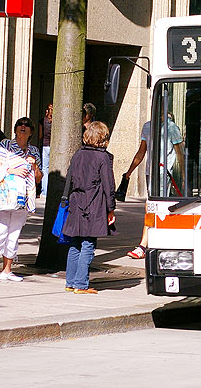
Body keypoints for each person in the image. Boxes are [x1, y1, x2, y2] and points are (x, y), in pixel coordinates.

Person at [0, 117, 42, 282]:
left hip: (22, 200)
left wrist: (35, 166)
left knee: (14, 234)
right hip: (2, 197)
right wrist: (11, 170)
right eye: (20, 124)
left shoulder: (34, 151)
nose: (23, 127)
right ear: (15, 129)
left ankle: (7, 270)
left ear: (31, 132)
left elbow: (38, 178)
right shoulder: (5, 146)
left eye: (27, 125)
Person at [64, 121, 116, 294]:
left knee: (75, 242)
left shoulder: (78, 154)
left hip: (76, 201)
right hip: (94, 203)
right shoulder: (103, 157)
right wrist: (111, 208)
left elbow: (69, 179)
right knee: (88, 243)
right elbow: (108, 185)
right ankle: (81, 283)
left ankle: (70, 282)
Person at [123, 114, 185, 259]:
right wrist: (129, 171)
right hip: (153, 172)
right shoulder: (149, 126)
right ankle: (156, 242)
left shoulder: (170, 127)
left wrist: (183, 175)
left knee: (152, 208)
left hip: (161, 173)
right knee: (155, 208)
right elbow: (142, 151)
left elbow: (179, 153)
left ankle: (143, 246)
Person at [38, 103, 52, 196]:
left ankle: (44, 192)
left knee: (45, 168)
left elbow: (40, 136)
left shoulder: (42, 121)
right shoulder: (58, 121)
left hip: (45, 146)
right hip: (54, 147)